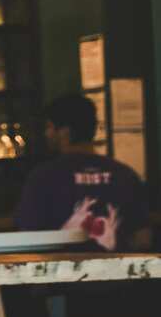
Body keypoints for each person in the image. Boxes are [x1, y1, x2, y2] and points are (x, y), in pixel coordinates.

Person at [15, 93, 148, 251]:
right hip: (116, 271)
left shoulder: (43, 177)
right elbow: (143, 239)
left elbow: (28, 235)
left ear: (65, 131)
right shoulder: (125, 175)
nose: (46, 134)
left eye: (49, 127)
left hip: (62, 273)